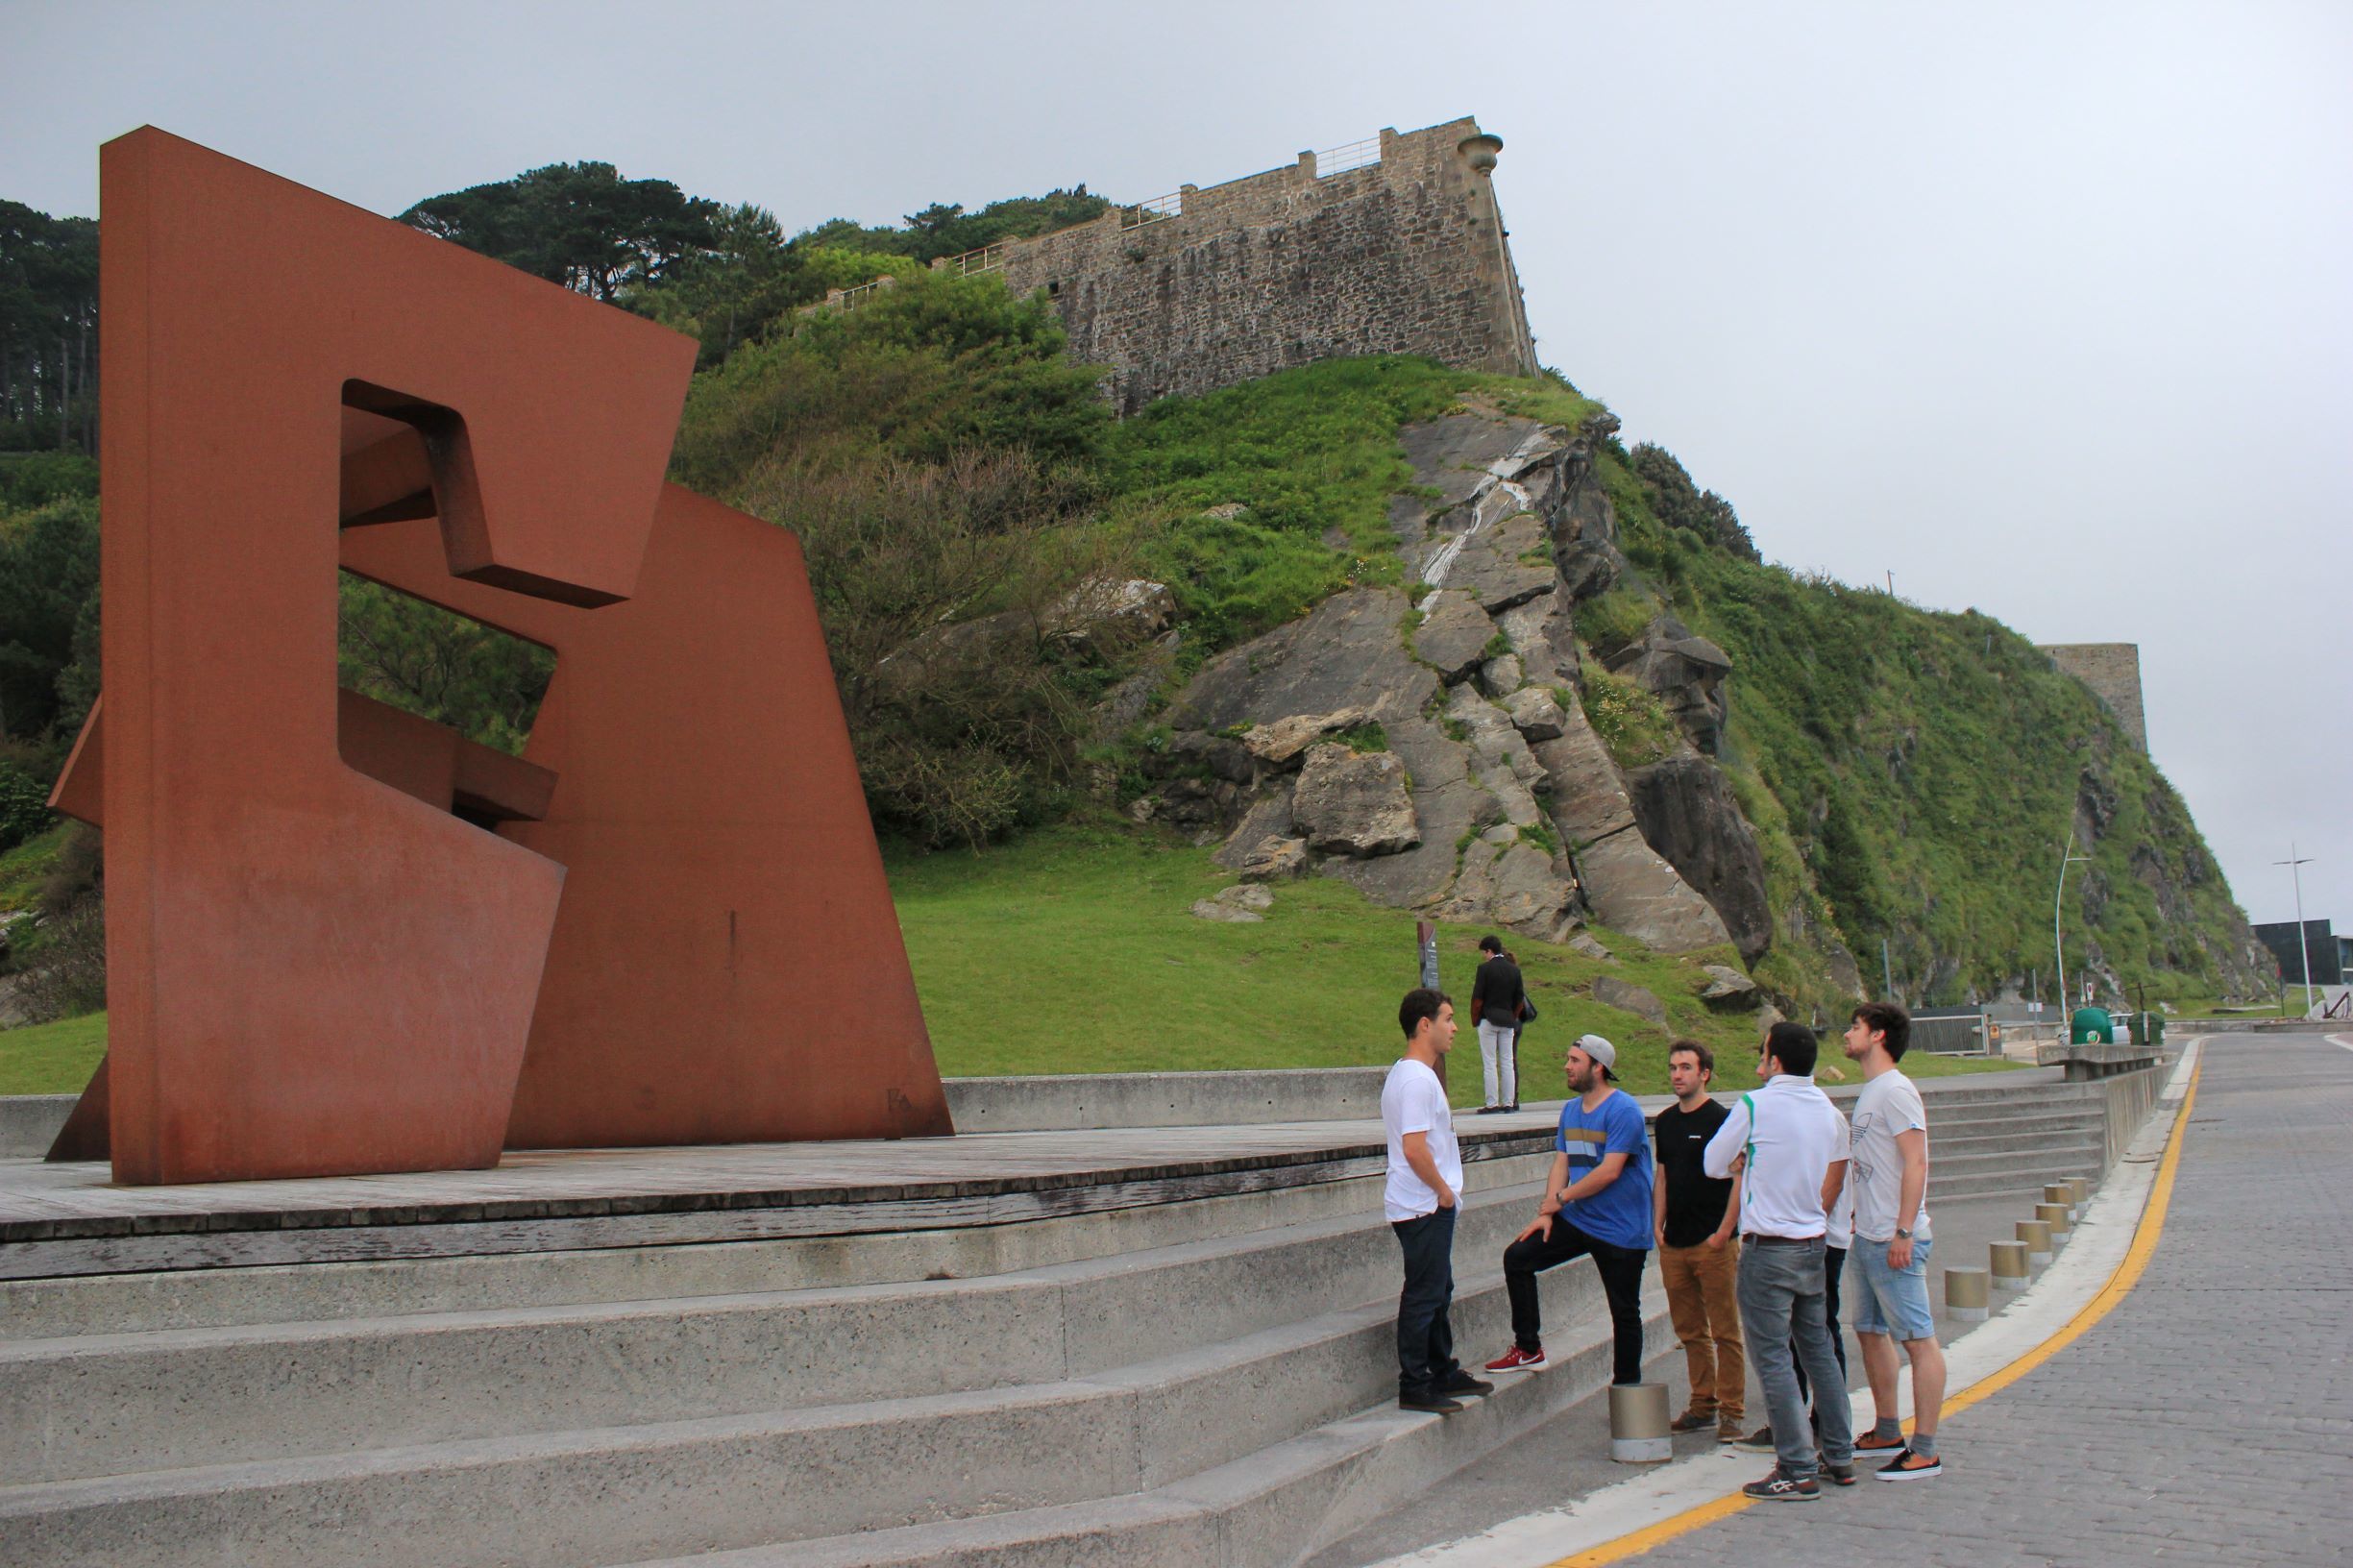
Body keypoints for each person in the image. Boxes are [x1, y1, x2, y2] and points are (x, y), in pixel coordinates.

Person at [1703, 1020, 1855, 1501]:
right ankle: (1839, 1454)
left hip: (1768, 1246)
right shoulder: (1829, 1112)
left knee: (1772, 1357)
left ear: (1776, 1060)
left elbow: (1711, 1162)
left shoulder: (1756, 1103)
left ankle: (1795, 1465)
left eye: (1764, 1050)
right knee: (1819, 1352)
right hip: (1814, 1243)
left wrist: (1740, 1162)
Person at [1484, 1034, 1653, 1384]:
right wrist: (1548, 1213)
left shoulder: (1624, 1111)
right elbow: (1562, 1162)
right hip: (1580, 1219)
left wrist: (1560, 1200)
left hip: (1622, 1228)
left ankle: (1627, 1391)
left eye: (1575, 1060)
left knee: (1624, 1313)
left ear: (1598, 1067)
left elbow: (1610, 1171)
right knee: (1518, 1258)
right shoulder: (1571, 1110)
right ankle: (1528, 1347)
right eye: (1568, 1058)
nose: (1567, 1066)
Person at [1843, 1001, 1947, 1480]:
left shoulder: (1897, 1091)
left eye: (1856, 1027)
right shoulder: (1872, 1091)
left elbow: (1916, 1161)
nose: (1847, 1034)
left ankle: (1925, 1448)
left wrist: (1904, 1230)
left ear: (1879, 1035)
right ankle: (1888, 1427)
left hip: (1894, 1238)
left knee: (1918, 1341)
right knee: (1869, 1331)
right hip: (1867, 1235)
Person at [1383, 988, 1494, 1413]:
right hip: (1423, 1204)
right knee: (1424, 1293)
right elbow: (1414, 1148)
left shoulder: (1416, 1074)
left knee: (1439, 1288)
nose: (1455, 1027)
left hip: (1427, 1202)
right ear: (1424, 1024)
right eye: (1447, 1018)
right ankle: (1415, 1382)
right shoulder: (1414, 1078)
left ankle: (1441, 1369)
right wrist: (1444, 1193)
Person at [1654, 1041, 1746, 1444]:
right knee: (1690, 1330)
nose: (1677, 1074)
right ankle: (1701, 1404)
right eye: (1673, 1067)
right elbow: (1662, 1176)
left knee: (1725, 1331)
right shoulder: (1666, 1121)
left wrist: (1724, 1232)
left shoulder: (1723, 1120)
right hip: (1674, 1242)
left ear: (1704, 1073)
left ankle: (1732, 1411)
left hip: (1714, 1243)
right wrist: (1657, 1226)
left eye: (1686, 1067)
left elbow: (1739, 1179)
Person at [1469, 936, 1527, 1114]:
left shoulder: (1484, 969)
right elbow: (1519, 999)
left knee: (1490, 1062)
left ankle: (1492, 1103)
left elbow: (1478, 998)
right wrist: (1513, 1016)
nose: (1484, 956)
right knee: (1507, 1062)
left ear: (1489, 951)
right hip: (1508, 1020)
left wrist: (1475, 1018)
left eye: (1484, 953)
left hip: (1488, 1019)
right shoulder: (1514, 970)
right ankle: (1509, 1102)